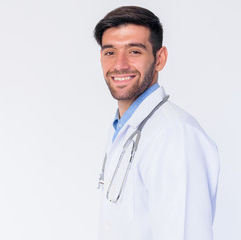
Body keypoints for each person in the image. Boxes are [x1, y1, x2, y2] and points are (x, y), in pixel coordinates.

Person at [94, 6, 220, 240]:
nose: (120, 64)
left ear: (159, 59)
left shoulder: (174, 135)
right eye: (110, 52)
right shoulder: (123, 129)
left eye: (134, 51)